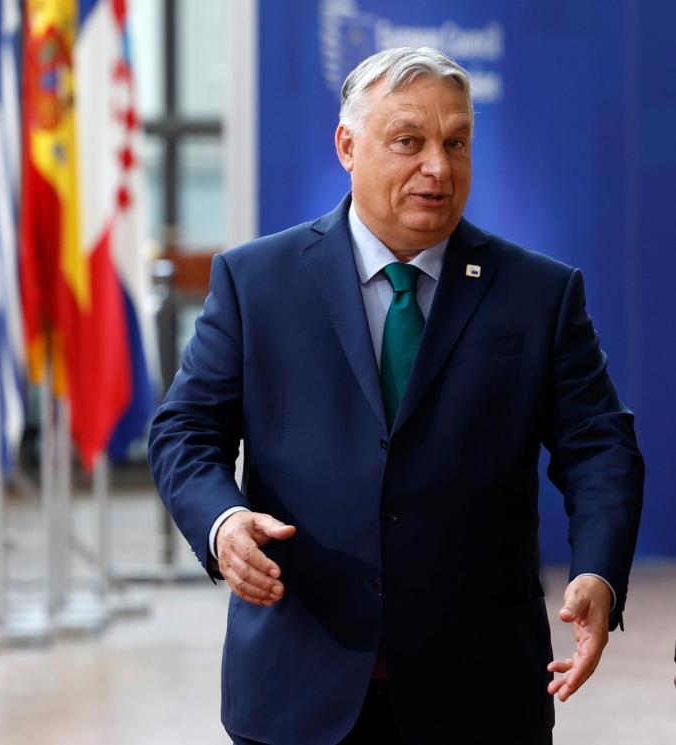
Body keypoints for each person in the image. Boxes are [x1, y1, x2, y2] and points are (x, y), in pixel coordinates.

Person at [148, 46, 644, 745]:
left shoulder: (540, 295)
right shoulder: (256, 283)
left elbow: (600, 447)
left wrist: (599, 572)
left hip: (481, 696)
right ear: (348, 146)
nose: (437, 167)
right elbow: (184, 431)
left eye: (456, 142)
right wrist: (223, 520)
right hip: (297, 692)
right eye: (408, 141)